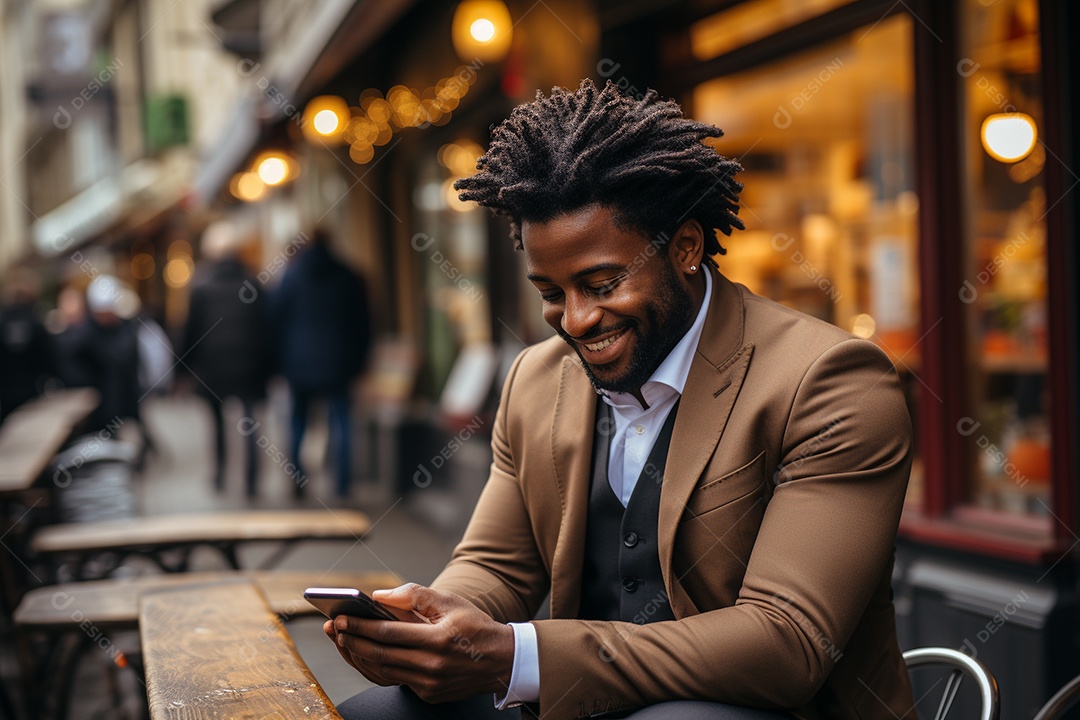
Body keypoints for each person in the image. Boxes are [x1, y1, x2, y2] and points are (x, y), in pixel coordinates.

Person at [326, 80, 915, 720]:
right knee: (378, 713)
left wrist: (520, 656)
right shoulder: (535, 378)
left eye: (602, 283)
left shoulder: (830, 382)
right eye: (550, 292)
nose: (575, 320)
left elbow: (788, 642)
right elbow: (495, 565)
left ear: (686, 248)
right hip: (592, 703)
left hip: (763, 709)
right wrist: (433, 624)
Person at [269, 228, 372, 498]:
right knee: (341, 423)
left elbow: (276, 323)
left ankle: (297, 480)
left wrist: (279, 365)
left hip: (299, 364)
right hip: (339, 363)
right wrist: (360, 363)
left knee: (298, 423)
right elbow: (363, 325)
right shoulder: (348, 275)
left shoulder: (291, 277)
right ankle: (343, 484)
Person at [181, 221, 270, 495]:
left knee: (217, 422)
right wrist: (269, 365)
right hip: (249, 365)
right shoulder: (253, 282)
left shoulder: (202, 286)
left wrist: (184, 367)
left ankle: (220, 475)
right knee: (251, 423)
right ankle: (252, 480)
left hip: (214, 365)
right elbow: (266, 328)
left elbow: (191, 330)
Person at [0, 268, 54, 420]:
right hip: (32, 392)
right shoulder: (35, 322)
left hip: (6, 394)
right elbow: (49, 358)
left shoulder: (2, 321)